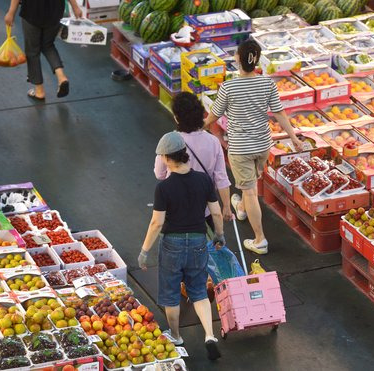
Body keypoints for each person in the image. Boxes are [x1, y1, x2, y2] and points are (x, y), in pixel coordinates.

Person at [205, 39, 302, 255]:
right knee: (251, 181)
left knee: (249, 191)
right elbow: (279, 113)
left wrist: (195, 126)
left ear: (238, 59)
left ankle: (260, 239)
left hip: (241, 148)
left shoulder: (229, 87)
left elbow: (215, 113)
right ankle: (241, 209)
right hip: (262, 145)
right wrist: (293, 137)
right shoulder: (267, 83)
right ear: (257, 60)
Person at [138, 132, 222, 361]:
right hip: (198, 240)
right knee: (198, 290)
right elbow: (215, 211)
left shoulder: (164, 188)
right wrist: (220, 235)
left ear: (166, 157)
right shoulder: (204, 180)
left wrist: (144, 251)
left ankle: (176, 335)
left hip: (172, 243)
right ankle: (209, 335)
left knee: (171, 291)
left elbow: (157, 222)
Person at [154, 92, 232, 228]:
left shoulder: (170, 141)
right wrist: (226, 206)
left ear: (177, 118)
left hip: (175, 208)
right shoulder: (213, 142)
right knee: (206, 246)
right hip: (204, 208)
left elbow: (159, 174)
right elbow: (221, 178)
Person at [4, 0, 82, 101]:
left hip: (32, 12)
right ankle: (61, 77)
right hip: (55, 12)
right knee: (48, 45)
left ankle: (39, 91)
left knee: (32, 51)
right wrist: (75, 7)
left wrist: (11, 12)